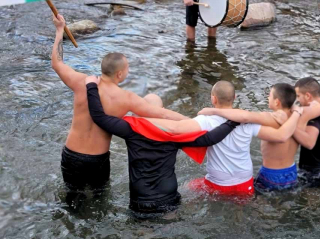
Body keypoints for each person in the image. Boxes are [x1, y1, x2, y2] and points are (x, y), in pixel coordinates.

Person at [51, 15, 188, 204]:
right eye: (128, 68)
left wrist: (59, 30)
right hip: (98, 159)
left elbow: (57, 63)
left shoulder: (81, 82)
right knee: (100, 201)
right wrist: (193, 121)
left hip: (72, 155)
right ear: (120, 73)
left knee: (73, 200)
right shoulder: (127, 98)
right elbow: (162, 114)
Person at [85, 78, 249, 215]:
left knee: (144, 238)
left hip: (141, 199)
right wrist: (232, 122)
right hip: (168, 196)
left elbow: (99, 116)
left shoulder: (130, 129)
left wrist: (91, 86)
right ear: (161, 111)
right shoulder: (174, 134)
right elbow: (209, 139)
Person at [147, 81, 307, 196]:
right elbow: (280, 136)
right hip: (245, 182)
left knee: (185, 190)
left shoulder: (204, 121)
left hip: (218, 183)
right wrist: (296, 113)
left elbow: (176, 128)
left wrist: (143, 120)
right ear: (235, 97)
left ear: (213, 99)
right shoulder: (249, 121)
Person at [195, 83, 320, 193]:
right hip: (291, 173)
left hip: (271, 175)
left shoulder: (268, 118)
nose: (267, 97)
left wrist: (213, 111)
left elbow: (244, 116)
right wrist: (295, 107)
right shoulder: (302, 114)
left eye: (269, 95)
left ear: (277, 102)